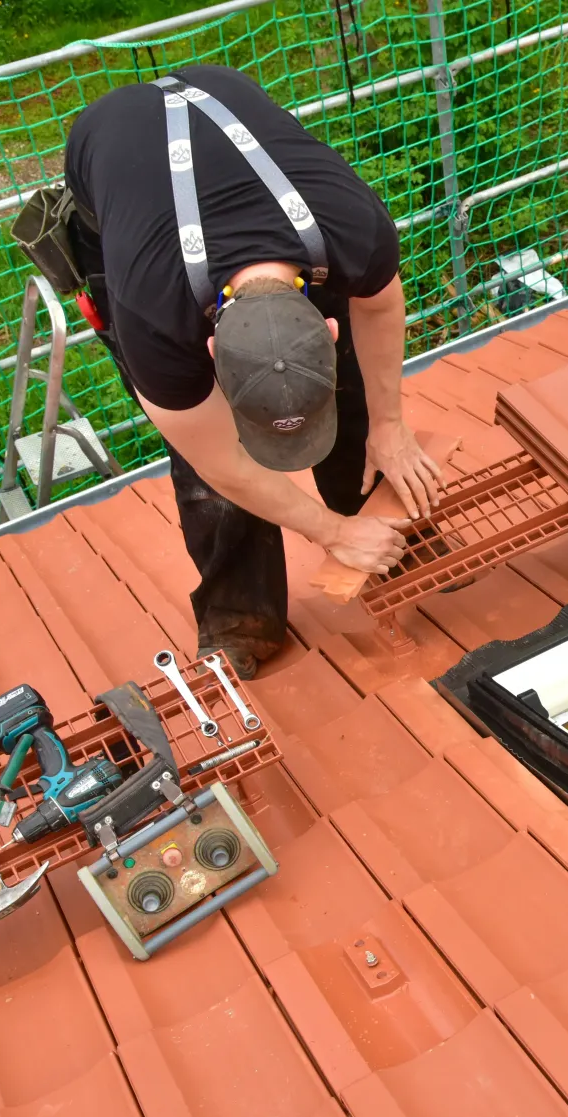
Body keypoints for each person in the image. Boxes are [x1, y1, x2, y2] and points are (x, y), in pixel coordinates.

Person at [62, 63, 441, 678]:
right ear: (210, 350)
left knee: (337, 384)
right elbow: (217, 458)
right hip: (115, 153)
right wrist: (330, 533)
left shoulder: (349, 228)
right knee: (206, 474)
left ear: (328, 325)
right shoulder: (154, 313)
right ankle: (240, 615)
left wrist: (390, 426)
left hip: (228, 118)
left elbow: (380, 306)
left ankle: (386, 534)